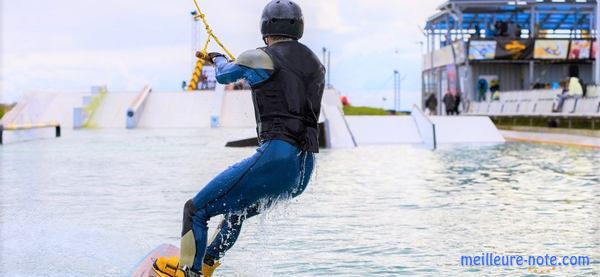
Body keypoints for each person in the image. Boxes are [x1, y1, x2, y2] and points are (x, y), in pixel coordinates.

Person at [152, 1, 325, 277]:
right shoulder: (316, 63)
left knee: (195, 210)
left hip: (277, 157)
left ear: (265, 28)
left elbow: (223, 75)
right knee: (237, 209)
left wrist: (217, 57)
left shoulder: (260, 56)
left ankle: (188, 271)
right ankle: (206, 264)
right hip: (302, 171)